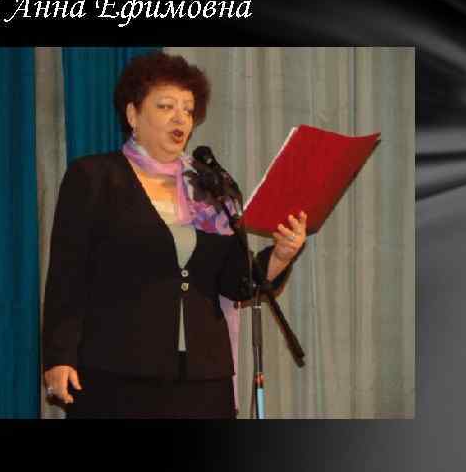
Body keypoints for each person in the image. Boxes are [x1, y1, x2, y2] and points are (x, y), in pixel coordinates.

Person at [42, 51, 307, 419]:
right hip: (116, 371)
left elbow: (236, 283)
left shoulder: (212, 188)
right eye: (166, 106)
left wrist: (280, 254)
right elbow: (67, 275)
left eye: (188, 109)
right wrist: (59, 356)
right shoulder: (94, 176)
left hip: (203, 377)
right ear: (133, 114)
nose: (180, 118)